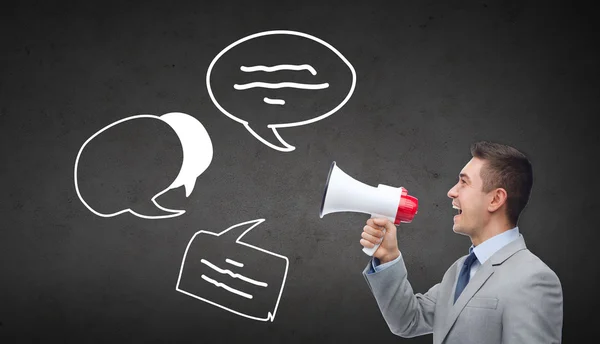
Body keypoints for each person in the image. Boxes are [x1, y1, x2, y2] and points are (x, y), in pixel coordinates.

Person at [361, 141, 563, 344]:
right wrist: (388, 257)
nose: (451, 192)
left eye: (464, 183)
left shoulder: (534, 279)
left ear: (495, 199)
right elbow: (408, 320)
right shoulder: (458, 271)